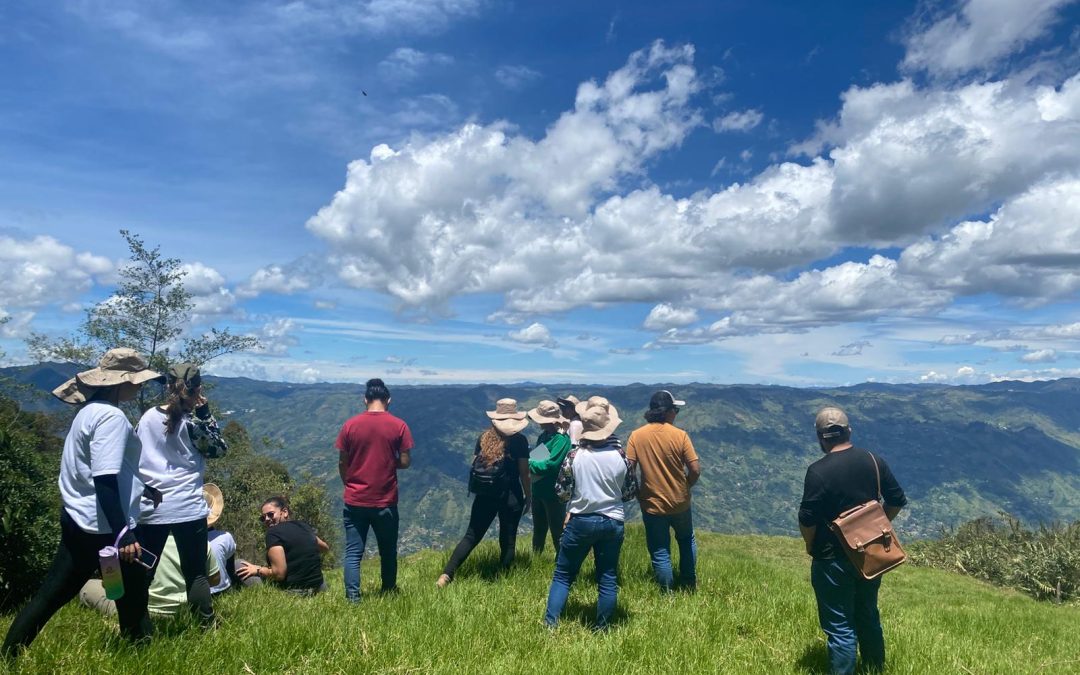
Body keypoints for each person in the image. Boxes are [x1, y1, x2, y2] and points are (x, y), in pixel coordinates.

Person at [3, 349, 161, 658]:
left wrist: (143, 488)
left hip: (82, 519)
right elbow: (103, 480)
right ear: (120, 382)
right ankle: (139, 651)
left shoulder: (89, 411)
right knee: (70, 592)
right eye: (137, 381)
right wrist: (122, 535)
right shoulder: (112, 417)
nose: (140, 387)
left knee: (118, 590)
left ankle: (136, 652)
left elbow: (97, 471)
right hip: (102, 528)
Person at [798, 406, 907, 675]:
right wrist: (877, 529)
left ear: (820, 437)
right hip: (869, 555)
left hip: (831, 558)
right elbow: (896, 500)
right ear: (849, 431)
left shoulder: (817, 471)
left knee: (840, 627)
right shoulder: (873, 460)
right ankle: (873, 669)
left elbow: (807, 518)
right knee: (868, 614)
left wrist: (810, 545)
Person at [135, 363, 226, 628]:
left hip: (152, 506)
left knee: (144, 572)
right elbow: (219, 448)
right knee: (195, 573)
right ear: (197, 390)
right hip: (187, 508)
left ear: (167, 388)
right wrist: (206, 412)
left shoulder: (147, 417)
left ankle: (138, 625)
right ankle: (205, 626)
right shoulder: (193, 425)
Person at [544, 398, 630, 630]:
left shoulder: (574, 457)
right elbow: (630, 491)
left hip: (580, 519)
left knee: (563, 575)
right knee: (607, 577)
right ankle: (601, 628)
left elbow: (561, 493)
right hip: (612, 520)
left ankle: (550, 625)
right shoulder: (621, 456)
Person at [435, 398, 533, 587]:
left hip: (485, 494)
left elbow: (474, 463)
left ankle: (446, 575)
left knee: (472, 536)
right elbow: (524, 473)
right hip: (510, 495)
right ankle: (502, 579)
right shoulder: (520, 441)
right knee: (508, 538)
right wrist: (528, 495)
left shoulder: (483, 437)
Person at [335, 378, 414, 601]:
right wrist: (388, 461)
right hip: (385, 500)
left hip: (355, 499)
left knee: (353, 553)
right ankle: (388, 591)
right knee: (388, 551)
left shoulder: (350, 425)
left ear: (365, 400)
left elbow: (343, 462)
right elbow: (406, 462)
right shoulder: (399, 426)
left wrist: (349, 483)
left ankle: (353, 599)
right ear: (388, 400)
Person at [626, 390, 701, 592]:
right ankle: (688, 583)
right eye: (675, 409)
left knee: (660, 550)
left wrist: (638, 492)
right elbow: (695, 469)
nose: (676, 413)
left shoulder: (636, 436)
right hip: (680, 501)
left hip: (652, 504)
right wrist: (685, 486)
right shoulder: (680, 436)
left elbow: (629, 470)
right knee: (686, 540)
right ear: (667, 412)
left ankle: (666, 593)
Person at [79, 534, 221, 617]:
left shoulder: (134, 542)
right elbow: (215, 580)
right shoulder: (200, 542)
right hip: (183, 612)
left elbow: (109, 585)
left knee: (88, 585)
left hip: (143, 612)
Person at [237, 497, 330, 595]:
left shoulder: (273, 533)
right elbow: (325, 548)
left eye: (270, 514)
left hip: (294, 592)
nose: (267, 519)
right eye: (263, 518)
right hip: (319, 587)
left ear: (284, 512)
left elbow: (279, 574)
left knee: (239, 564)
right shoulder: (303, 526)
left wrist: (258, 570)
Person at [528, 399, 572, 556]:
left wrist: (528, 464)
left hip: (552, 492)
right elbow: (538, 459)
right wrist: (533, 462)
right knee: (539, 529)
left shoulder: (561, 440)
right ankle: (537, 559)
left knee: (557, 530)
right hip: (539, 490)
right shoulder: (545, 436)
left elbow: (550, 465)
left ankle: (563, 562)